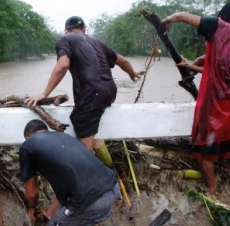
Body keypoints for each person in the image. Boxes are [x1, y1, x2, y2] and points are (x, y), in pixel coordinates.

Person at [162, 2, 230, 194]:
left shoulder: (220, 27)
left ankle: (212, 190)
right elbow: (220, 66)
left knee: (205, 149)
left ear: (224, 15)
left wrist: (166, 21)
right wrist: (191, 67)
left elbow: (182, 15)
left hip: (219, 104)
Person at [26, 16, 145, 151]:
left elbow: (63, 64)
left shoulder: (64, 39)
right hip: (110, 91)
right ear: (84, 29)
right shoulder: (97, 42)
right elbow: (123, 61)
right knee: (80, 119)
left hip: (92, 94)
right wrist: (132, 74)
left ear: (66, 31)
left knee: (84, 146)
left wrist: (44, 93)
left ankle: (89, 166)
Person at [19, 119, 120, 226]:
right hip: (113, 189)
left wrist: (32, 208)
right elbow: (70, 184)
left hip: (91, 201)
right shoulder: (64, 137)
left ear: (27, 137)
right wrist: (49, 213)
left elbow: (32, 193)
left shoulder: (27, 146)